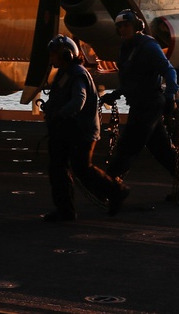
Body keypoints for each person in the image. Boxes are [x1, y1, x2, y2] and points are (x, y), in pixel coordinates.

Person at [101, 10, 179, 202]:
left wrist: (171, 95)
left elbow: (169, 71)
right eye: (120, 27)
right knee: (161, 149)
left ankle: (109, 187)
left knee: (128, 145)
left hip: (149, 105)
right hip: (140, 103)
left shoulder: (148, 46)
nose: (123, 29)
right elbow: (131, 80)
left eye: (126, 25)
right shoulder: (126, 48)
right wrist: (115, 94)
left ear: (137, 27)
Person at [41, 35, 128, 221]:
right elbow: (61, 98)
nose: (51, 58)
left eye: (53, 55)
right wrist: (50, 108)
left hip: (79, 132)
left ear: (65, 54)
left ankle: (116, 191)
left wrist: (61, 113)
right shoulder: (65, 73)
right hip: (67, 130)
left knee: (82, 169)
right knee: (58, 168)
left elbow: (78, 100)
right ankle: (65, 210)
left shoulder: (77, 74)